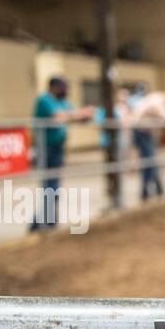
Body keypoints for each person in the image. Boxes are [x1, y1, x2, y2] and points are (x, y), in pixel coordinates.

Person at [31, 77, 95, 231]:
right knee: (50, 186)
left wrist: (82, 114)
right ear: (54, 87)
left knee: (53, 187)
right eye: (63, 87)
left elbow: (79, 116)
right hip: (46, 148)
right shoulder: (44, 100)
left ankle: (42, 223)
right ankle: (44, 223)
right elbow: (60, 116)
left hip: (58, 148)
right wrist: (78, 114)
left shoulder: (62, 102)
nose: (66, 91)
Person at [128, 84, 165, 200]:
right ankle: (151, 193)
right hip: (141, 131)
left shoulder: (158, 99)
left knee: (151, 161)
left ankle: (155, 191)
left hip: (145, 132)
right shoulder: (158, 100)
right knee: (150, 161)